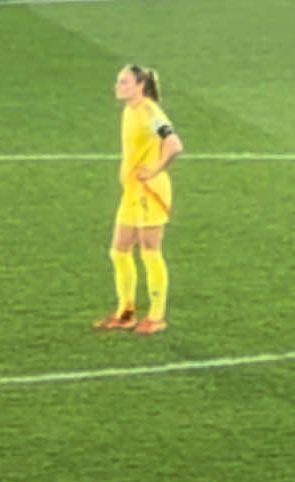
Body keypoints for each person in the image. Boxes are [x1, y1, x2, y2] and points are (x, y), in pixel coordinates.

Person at [94, 64, 183, 335]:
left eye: (124, 82)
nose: (118, 86)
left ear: (139, 86)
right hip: (132, 192)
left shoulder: (150, 112)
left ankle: (156, 317)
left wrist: (154, 169)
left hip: (150, 191)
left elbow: (175, 145)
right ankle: (126, 312)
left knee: (149, 249)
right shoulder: (130, 110)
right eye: (118, 81)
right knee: (119, 249)